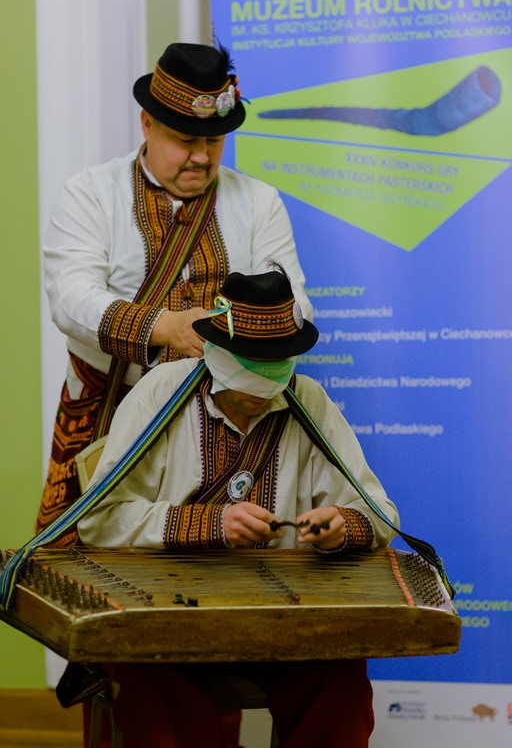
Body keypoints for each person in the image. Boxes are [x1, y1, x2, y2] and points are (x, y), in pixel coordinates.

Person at [77, 267, 400, 748]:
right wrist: (211, 523)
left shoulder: (308, 401)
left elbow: (380, 512)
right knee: (160, 690)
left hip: (284, 620)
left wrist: (343, 525)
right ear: (217, 354)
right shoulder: (160, 394)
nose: (259, 394)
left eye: (274, 370)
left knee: (339, 685)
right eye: (251, 373)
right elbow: (99, 520)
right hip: (166, 617)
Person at [36, 41, 312, 548]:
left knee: (231, 562)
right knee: (85, 569)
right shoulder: (90, 194)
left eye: (214, 141)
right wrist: (166, 327)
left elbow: (295, 303)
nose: (201, 157)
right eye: (186, 140)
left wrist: (246, 329)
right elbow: (70, 298)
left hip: (227, 421)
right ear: (147, 123)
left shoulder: (259, 202)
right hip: (108, 411)